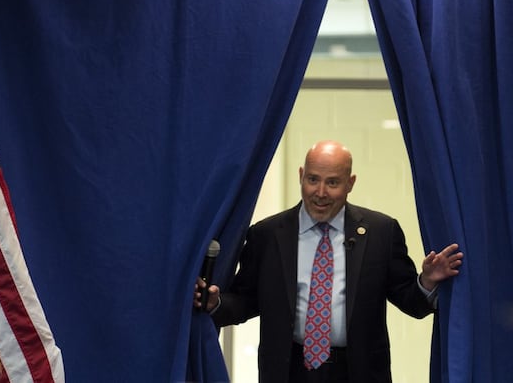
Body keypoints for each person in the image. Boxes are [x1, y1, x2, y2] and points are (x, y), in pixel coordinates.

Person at [194, 140, 463, 383]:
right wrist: (216, 303)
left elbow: (409, 301)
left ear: (350, 183)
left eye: (332, 182)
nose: (320, 192)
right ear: (301, 176)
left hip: (359, 372)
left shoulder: (382, 231)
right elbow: (246, 300)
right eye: (313, 179)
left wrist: (426, 281)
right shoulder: (266, 234)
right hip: (289, 372)